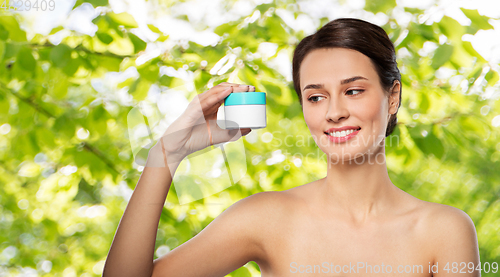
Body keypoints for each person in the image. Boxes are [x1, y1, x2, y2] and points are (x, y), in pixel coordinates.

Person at [103, 18, 480, 277]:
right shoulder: (267, 218)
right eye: (315, 97)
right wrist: (166, 154)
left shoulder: (443, 231)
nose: (334, 112)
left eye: (353, 91)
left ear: (392, 96)